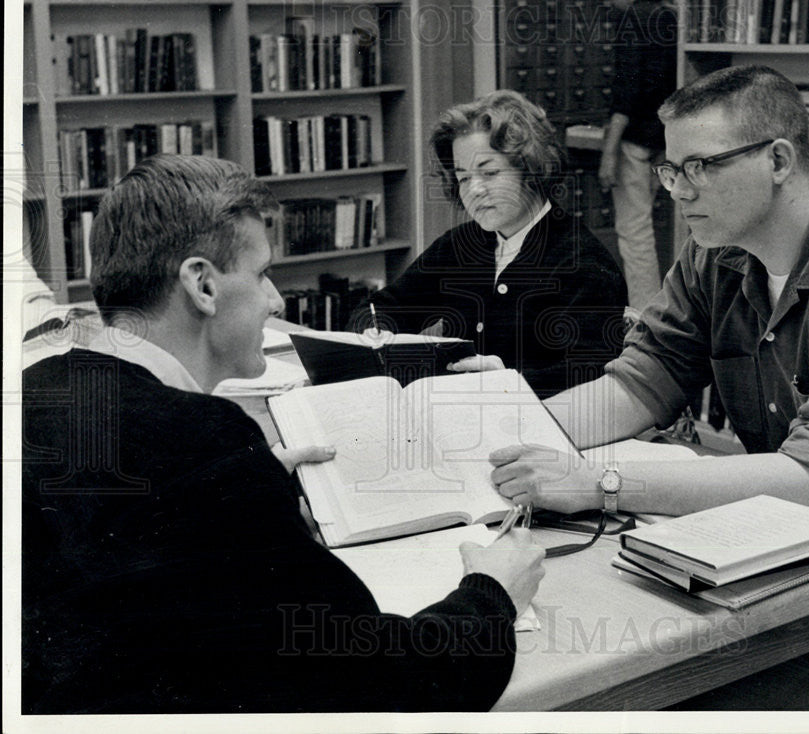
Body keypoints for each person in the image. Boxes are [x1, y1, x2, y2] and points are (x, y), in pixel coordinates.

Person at [489, 66, 809, 710]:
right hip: (798, 541)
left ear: (778, 159)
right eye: (671, 170)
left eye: (700, 167)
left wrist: (593, 482)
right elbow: (639, 384)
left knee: (677, 694)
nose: (678, 193)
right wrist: (504, 428)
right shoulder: (717, 249)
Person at [21, 154, 545, 713]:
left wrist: (249, 491)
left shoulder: (38, 387)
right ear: (202, 284)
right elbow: (389, 685)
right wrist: (492, 594)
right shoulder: (208, 447)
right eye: (263, 273)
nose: (276, 301)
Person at [359, 89, 628, 399]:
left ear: (531, 169)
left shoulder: (585, 263)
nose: (474, 189)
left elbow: (592, 377)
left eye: (489, 172)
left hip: (546, 428)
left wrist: (510, 383)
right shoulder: (461, 246)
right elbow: (383, 308)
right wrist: (373, 330)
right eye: (462, 177)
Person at [598, 0, 678, 309]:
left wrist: (608, 151)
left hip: (633, 141)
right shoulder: (668, 15)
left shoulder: (633, 19)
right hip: (663, 140)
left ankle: (645, 315)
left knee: (634, 233)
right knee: (659, 226)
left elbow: (625, 92)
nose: (611, 2)